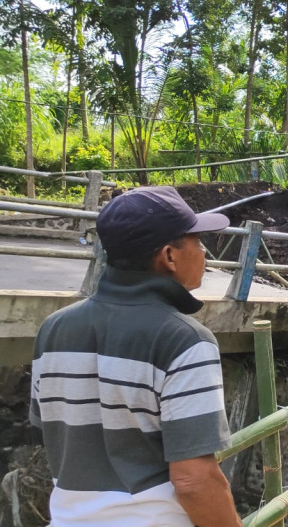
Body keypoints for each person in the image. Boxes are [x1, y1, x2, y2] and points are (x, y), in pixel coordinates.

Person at [30, 186, 243, 527]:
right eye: (197, 241)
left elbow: (54, 431)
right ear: (169, 256)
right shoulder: (185, 340)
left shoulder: (52, 329)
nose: (204, 253)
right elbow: (193, 481)